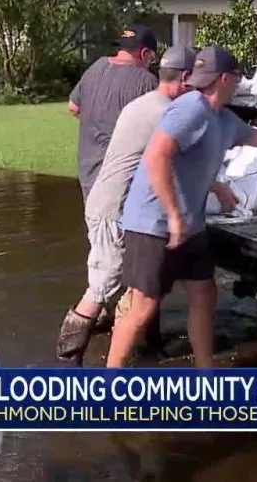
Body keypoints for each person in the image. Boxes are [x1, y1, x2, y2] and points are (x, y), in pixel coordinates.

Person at [107, 45, 257, 368]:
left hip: (189, 224)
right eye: (237, 78)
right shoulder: (190, 108)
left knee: (204, 292)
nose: (239, 83)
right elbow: (156, 155)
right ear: (225, 78)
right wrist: (172, 214)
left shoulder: (224, 119)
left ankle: (205, 372)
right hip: (153, 223)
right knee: (143, 305)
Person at [55, 45, 196, 366]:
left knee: (135, 281)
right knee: (102, 286)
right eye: (195, 82)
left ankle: (143, 350)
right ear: (184, 78)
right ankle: (67, 361)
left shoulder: (146, 103)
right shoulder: (164, 113)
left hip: (110, 203)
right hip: (111, 208)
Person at [68, 25, 158, 334]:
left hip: (88, 173)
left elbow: (73, 107)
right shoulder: (146, 82)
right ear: (145, 54)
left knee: (101, 249)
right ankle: (74, 344)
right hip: (121, 182)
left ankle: (111, 318)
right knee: (122, 257)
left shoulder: (94, 68)